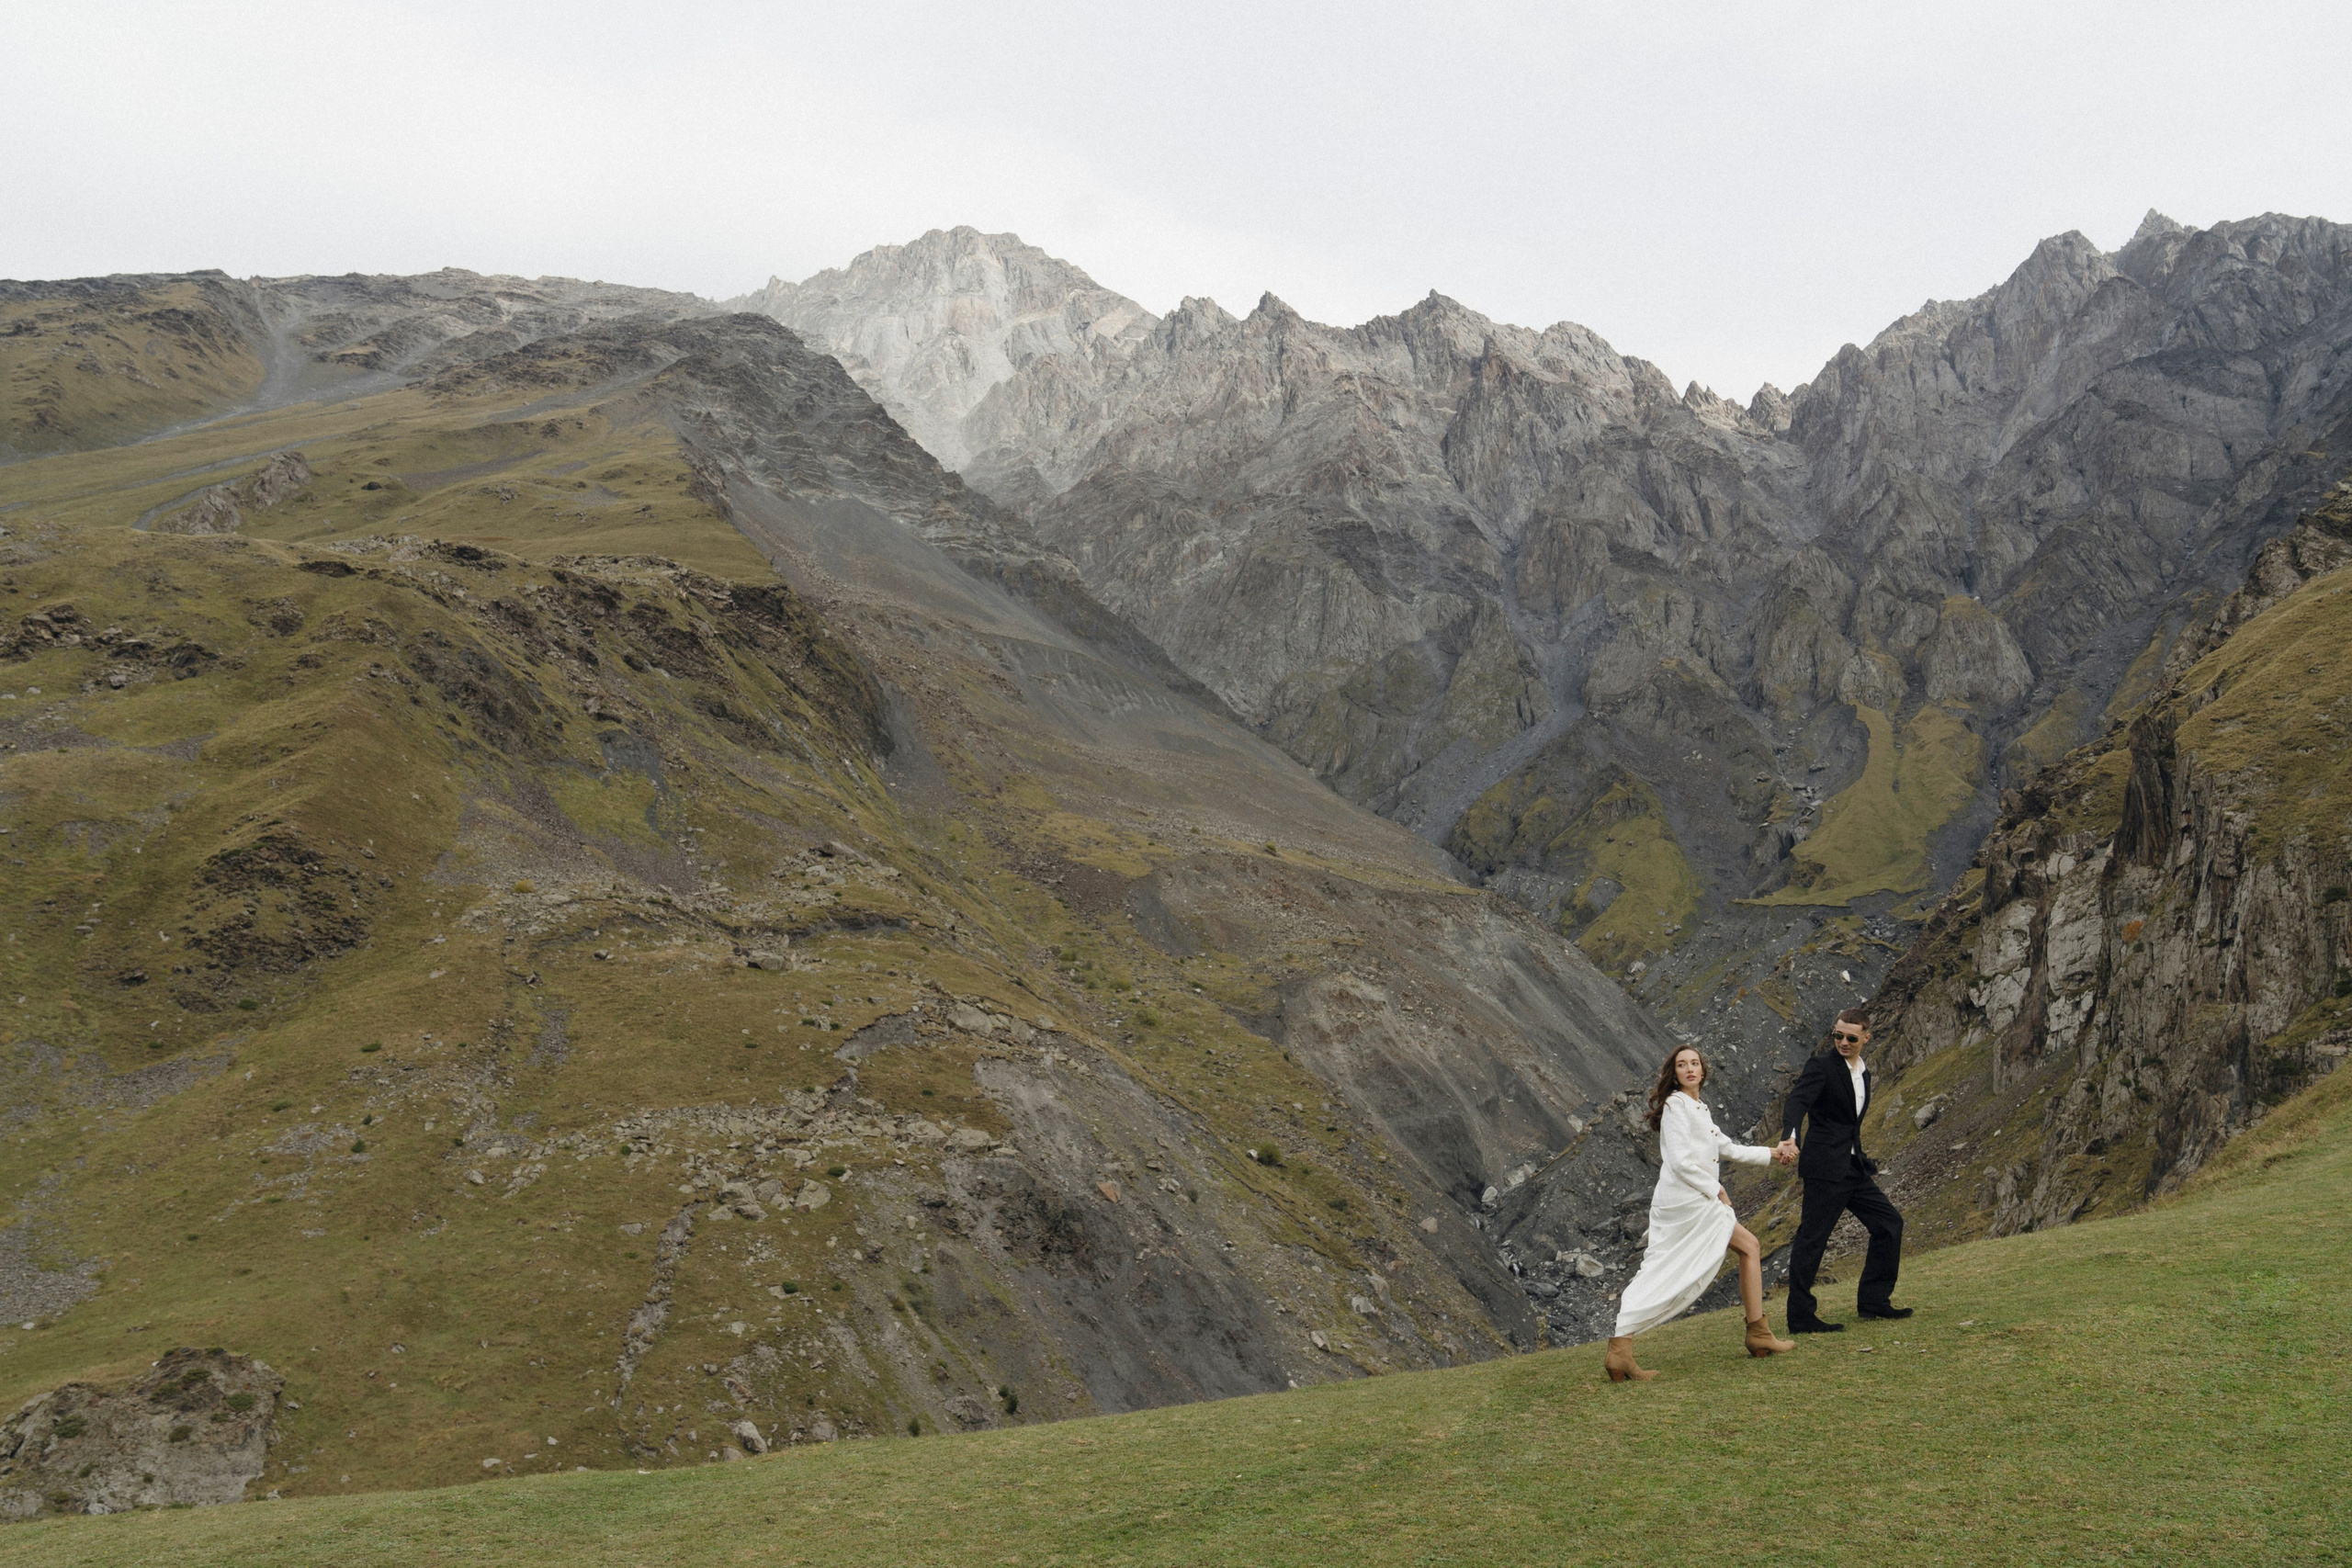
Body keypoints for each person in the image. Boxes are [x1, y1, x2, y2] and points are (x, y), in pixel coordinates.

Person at [1604, 1043, 1797, 1382]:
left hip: (1696, 1200)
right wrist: (1716, 1189)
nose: (1690, 1069)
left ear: (1703, 1071)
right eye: (1682, 1065)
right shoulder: (1676, 1106)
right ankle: (1621, 1349)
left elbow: (1728, 1148)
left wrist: (1774, 1153)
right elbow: (1678, 1162)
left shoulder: (1698, 1107)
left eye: (1695, 1063)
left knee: (1749, 1247)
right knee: (1661, 1269)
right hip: (1686, 1202)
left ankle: (1759, 1333)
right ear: (1674, 1073)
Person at [1773, 1007, 1909, 1331]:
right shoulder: (1820, 1066)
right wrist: (1790, 1137)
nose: (1843, 1042)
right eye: (1837, 1035)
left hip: (1852, 1166)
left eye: (1850, 1037)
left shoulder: (1864, 1073)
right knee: (1812, 1240)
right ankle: (1801, 1317)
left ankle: (1874, 1301)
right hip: (1824, 1167)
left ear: (1866, 1037)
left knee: (1889, 1224)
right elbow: (1796, 1103)